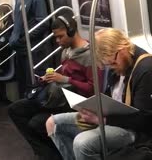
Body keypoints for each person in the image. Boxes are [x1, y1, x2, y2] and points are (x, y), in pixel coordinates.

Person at [46, 28, 152, 160]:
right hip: (111, 116)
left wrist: (102, 120)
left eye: (112, 63)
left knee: (82, 143)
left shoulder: (145, 69)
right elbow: (108, 97)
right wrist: (92, 110)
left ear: (122, 49)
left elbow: (145, 120)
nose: (112, 68)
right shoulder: (117, 63)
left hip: (131, 128)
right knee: (53, 123)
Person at [8, 14, 101, 160]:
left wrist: (64, 79)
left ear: (71, 31)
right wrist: (51, 78)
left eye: (61, 36)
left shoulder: (89, 55)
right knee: (15, 109)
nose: (58, 41)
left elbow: (93, 88)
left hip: (74, 102)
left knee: (35, 123)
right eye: (55, 38)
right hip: (58, 96)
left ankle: (50, 155)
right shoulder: (66, 51)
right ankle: (46, 153)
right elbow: (65, 77)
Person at [9, 0, 53, 98]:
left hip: (32, 48)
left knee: (33, 82)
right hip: (19, 49)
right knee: (23, 83)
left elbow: (43, 23)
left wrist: (24, 39)